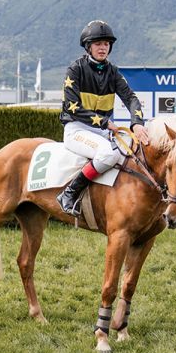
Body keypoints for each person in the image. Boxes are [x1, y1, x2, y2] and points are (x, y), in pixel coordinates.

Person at [57, 20, 149, 215]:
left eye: (106, 44)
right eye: (98, 44)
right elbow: (72, 108)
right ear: (88, 47)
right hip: (77, 129)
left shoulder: (112, 72)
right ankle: (69, 193)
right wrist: (106, 122)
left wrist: (137, 124)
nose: (103, 48)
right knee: (109, 154)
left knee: (134, 153)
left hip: (102, 132)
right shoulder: (75, 69)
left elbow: (131, 98)